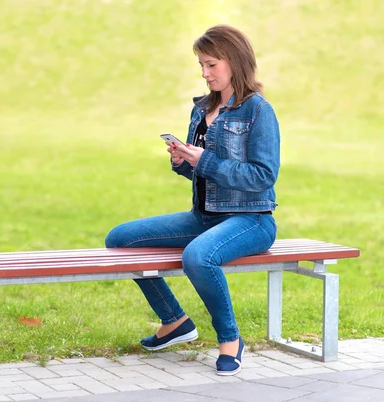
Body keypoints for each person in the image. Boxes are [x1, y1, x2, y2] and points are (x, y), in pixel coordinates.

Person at [104, 24, 280, 376]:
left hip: (252, 219)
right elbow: (201, 172)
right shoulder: (201, 109)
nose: (204, 72)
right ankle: (175, 322)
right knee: (120, 240)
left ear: (234, 61)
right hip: (205, 216)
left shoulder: (258, 111)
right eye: (201, 64)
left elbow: (263, 176)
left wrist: (206, 161)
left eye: (211, 64)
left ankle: (230, 339)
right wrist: (183, 162)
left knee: (198, 256)